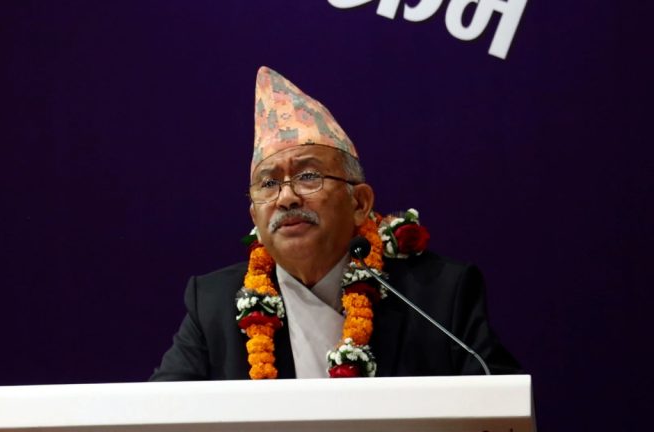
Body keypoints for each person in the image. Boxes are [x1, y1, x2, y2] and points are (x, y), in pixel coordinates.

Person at [150, 66, 520, 381]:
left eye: (308, 176)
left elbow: (501, 409)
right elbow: (159, 415)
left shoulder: (439, 295)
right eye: (269, 183)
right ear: (254, 219)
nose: (286, 197)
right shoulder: (213, 305)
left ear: (360, 203)